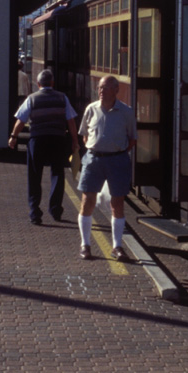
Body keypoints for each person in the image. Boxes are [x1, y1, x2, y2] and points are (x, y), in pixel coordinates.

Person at [75, 75, 137, 260]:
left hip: (117, 161)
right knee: (87, 201)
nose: (101, 91)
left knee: (117, 203)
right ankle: (85, 244)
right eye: (100, 88)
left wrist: (115, 151)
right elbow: (85, 135)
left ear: (116, 90)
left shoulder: (126, 112)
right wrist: (98, 148)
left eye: (106, 88)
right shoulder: (91, 109)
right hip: (94, 159)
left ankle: (117, 247)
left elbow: (132, 139)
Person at [10, 69, 80, 226]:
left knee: (34, 176)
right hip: (57, 139)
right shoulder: (62, 98)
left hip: (37, 140)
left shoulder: (32, 99)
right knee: (57, 173)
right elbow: (71, 122)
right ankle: (55, 210)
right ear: (52, 83)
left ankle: (35, 212)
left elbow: (21, 120)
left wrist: (14, 137)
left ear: (38, 83)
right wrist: (75, 141)